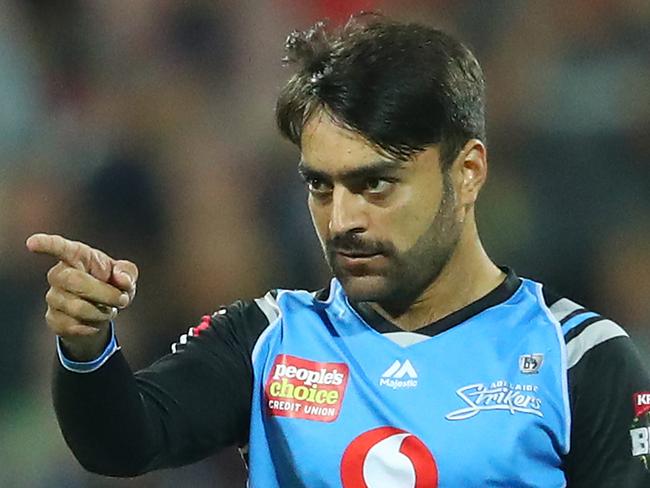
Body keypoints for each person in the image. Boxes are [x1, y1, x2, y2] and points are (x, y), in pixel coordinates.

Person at [27, 14, 650, 487]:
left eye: (374, 183)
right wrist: (86, 346)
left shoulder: (579, 363)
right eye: (319, 186)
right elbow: (120, 442)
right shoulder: (271, 340)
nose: (342, 219)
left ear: (467, 172)